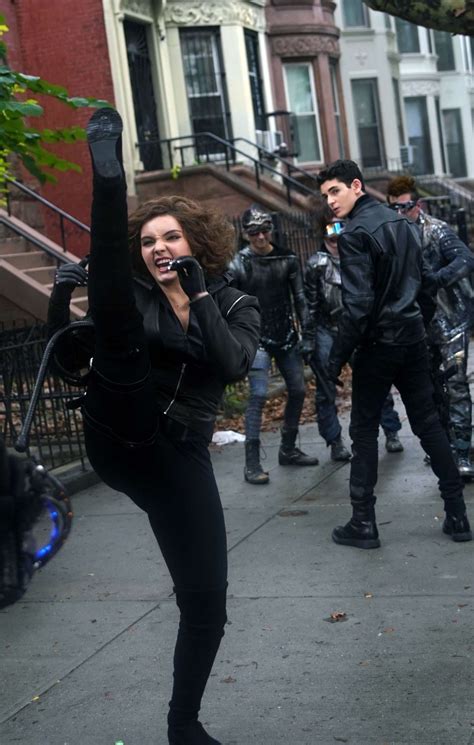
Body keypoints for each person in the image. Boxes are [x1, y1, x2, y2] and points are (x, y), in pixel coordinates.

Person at [47, 108, 260, 745]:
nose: (159, 248)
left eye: (169, 238)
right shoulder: (133, 293)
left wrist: (196, 298)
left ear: (196, 242)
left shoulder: (232, 301)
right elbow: (67, 363)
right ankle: (108, 186)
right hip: (117, 427)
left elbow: (229, 363)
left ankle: (182, 723)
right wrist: (62, 299)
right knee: (116, 329)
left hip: (176, 457)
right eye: (147, 241)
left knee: (207, 602)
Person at [317, 159, 472, 548]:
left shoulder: (354, 235)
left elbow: (357, 307)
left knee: (365, 430)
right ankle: (458, 515)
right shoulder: (403, 223)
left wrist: (334, 360)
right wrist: (422, 328)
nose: (330, 202)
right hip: (412, 339)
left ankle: (363, 522)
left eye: (335, 191)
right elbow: (423, 285)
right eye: (325, 196)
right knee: (429, 423)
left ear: (356, 186)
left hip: (379, 345)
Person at [386, 175, 474, 478]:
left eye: (405, 207)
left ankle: (463, 452)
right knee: (432, 388)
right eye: (394, 208)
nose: (400, 213)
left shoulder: (436, 230)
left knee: (457, 385)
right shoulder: (393, 236)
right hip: (420, 325)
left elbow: (465, 259)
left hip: (450, 319)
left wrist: (436, 280)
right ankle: (447, 445)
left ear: (417, 205)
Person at [304, 203, 403, 461]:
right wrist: (309, 338)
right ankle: (334, 440)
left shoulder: (359, 257)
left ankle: (390, 430)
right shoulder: (316, 264)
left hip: (358, 327)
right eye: (330, 230)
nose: (336, 236)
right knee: (326, 388)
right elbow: (310, 304)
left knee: (374, 380)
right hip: (328, 329)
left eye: (341, 228)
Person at [228, 206, 319, 485]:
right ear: (245, 234)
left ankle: (288, 448)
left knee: (298, 388)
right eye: (254, 231)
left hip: (285, 334)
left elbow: (300, 298)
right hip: (256, 338)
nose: (260, 236)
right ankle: (251, 462)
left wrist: (308, 335)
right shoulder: (238, 264)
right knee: (257, 395)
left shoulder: (287, 258)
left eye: (265, 229)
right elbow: (230, 303)